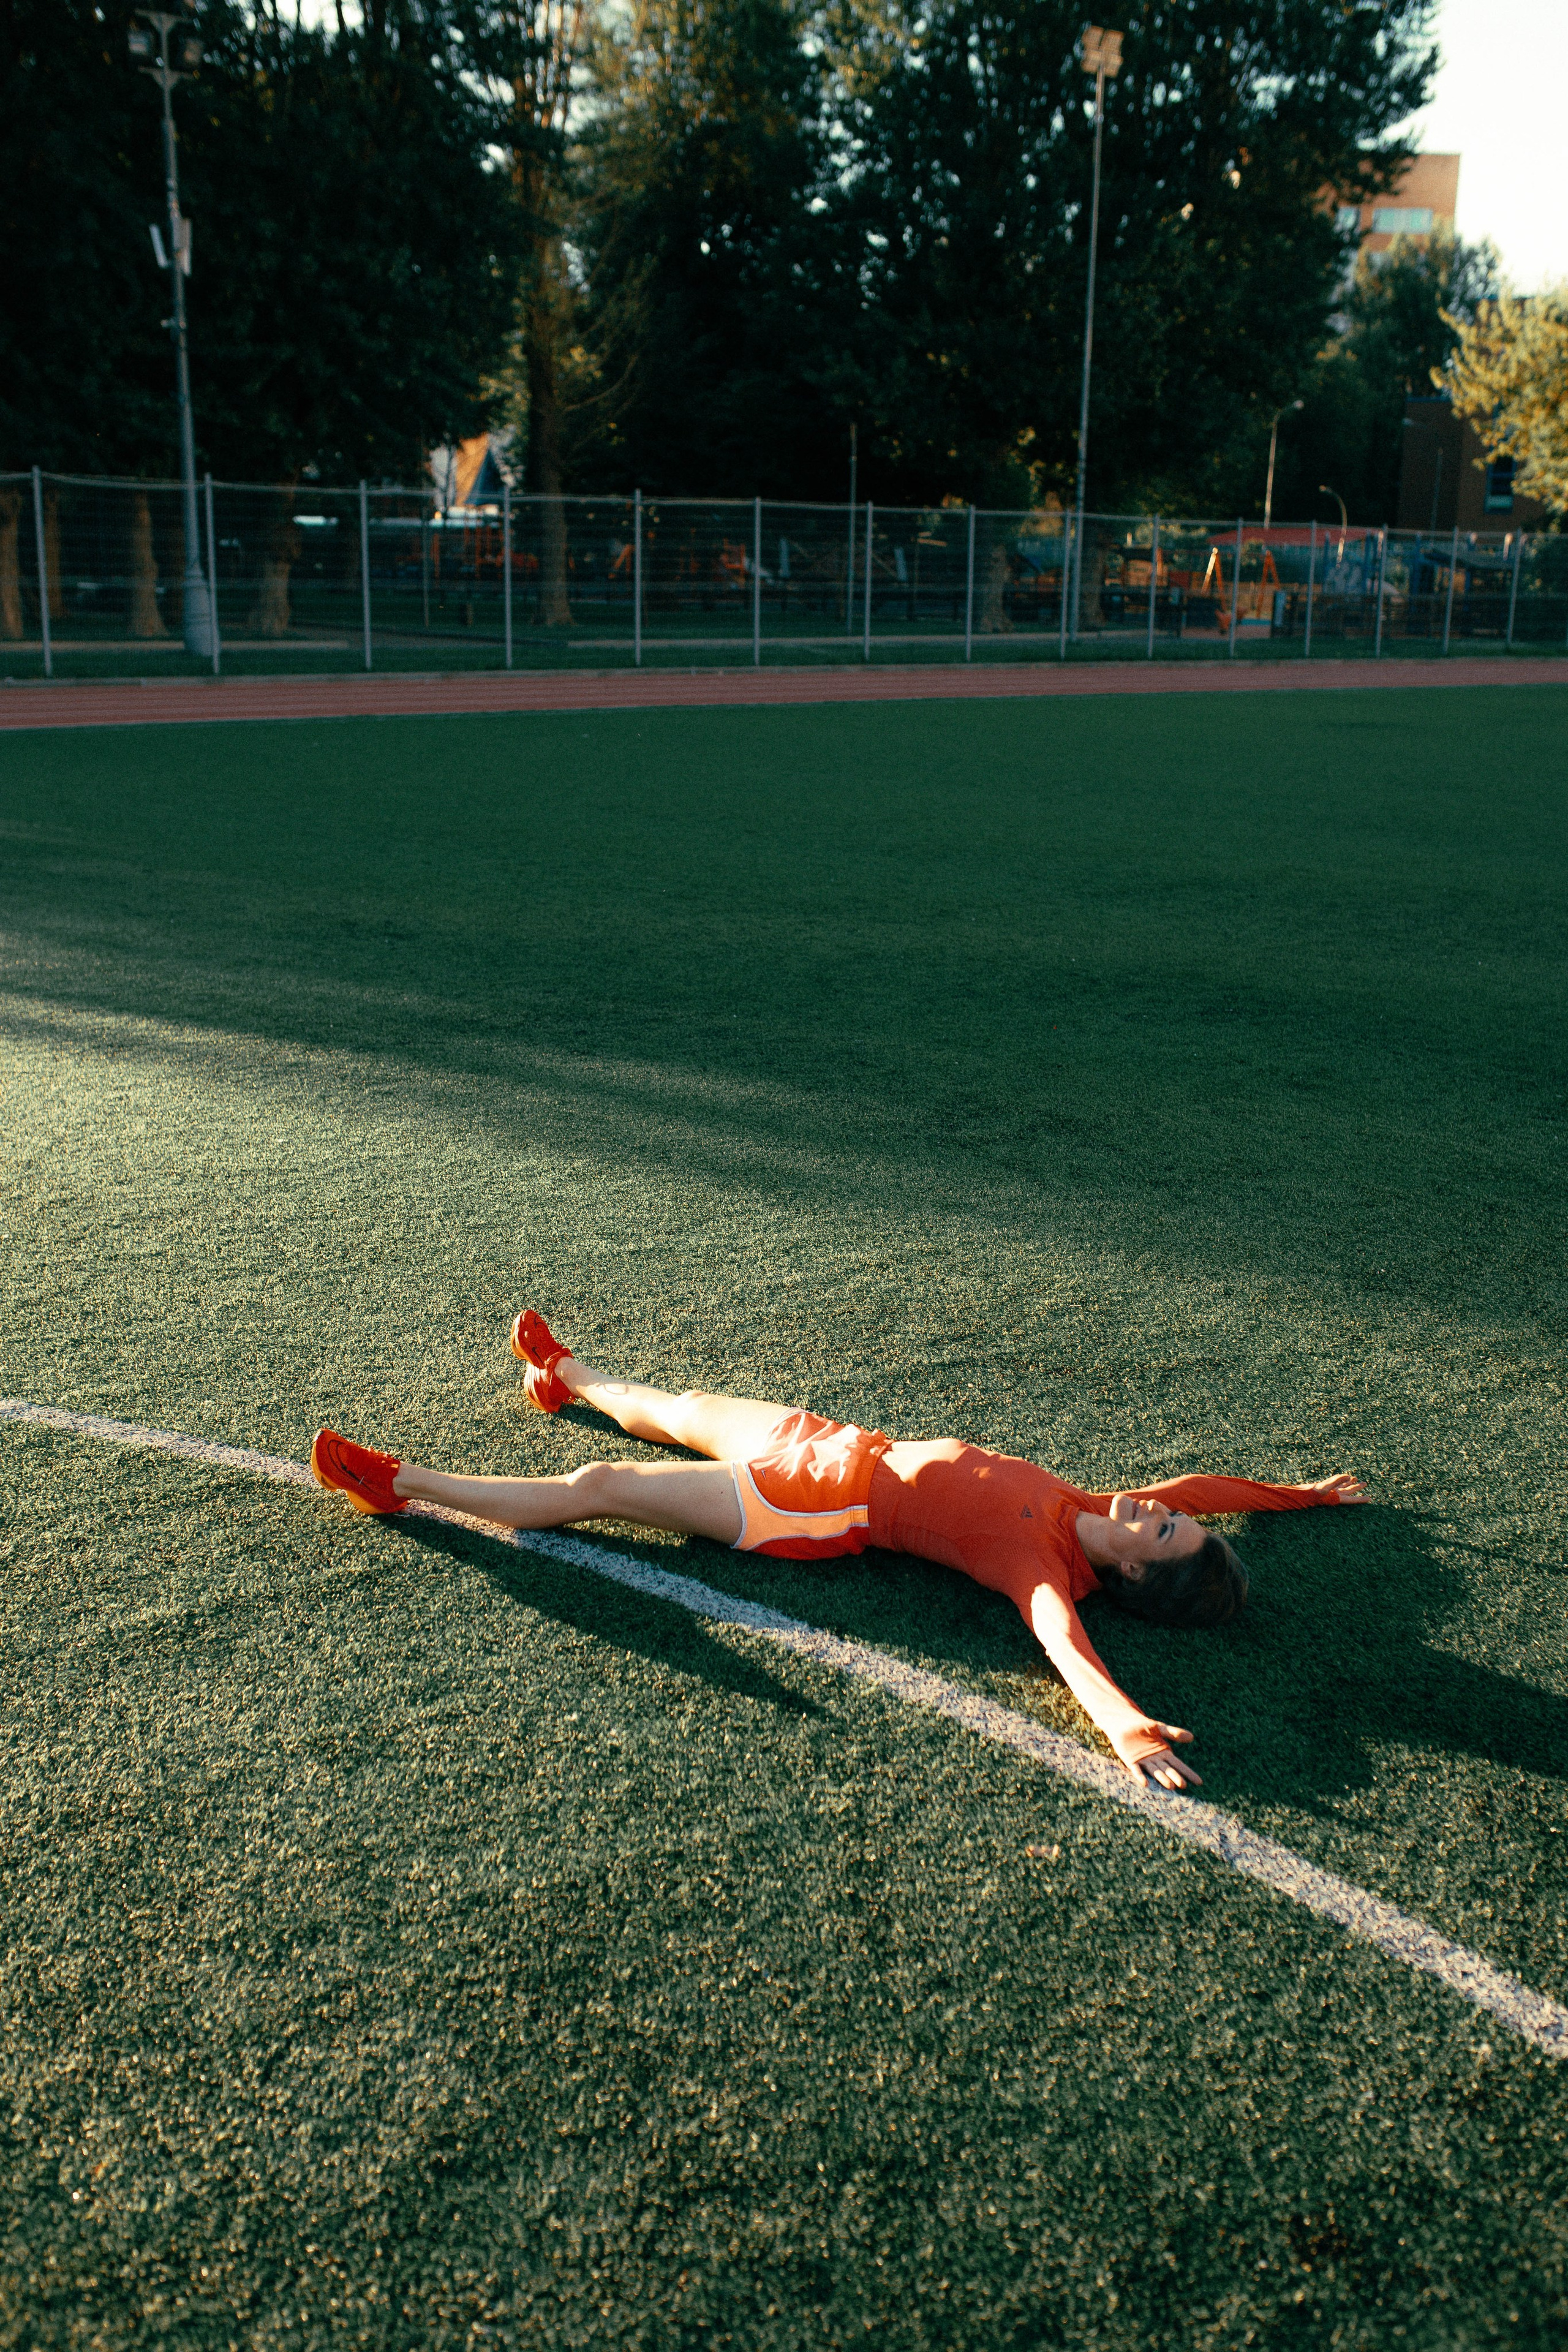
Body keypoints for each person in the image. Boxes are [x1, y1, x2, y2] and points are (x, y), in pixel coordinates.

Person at [311, 1310, 1365, 1793]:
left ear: (1138, 1571)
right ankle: (567, 1376)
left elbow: (1066, 1649)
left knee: (601, 1493)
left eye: (1166, 1531)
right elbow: (1207, 1487)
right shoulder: (1096, 1503)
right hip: (826, 1441)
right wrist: (1302, 1497)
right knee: (670, 1407)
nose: (1156, 1507)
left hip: (803, 1510)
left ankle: (398, 1486)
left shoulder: (1046, 1569)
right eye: (1169, 1516)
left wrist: (1129, 1728)